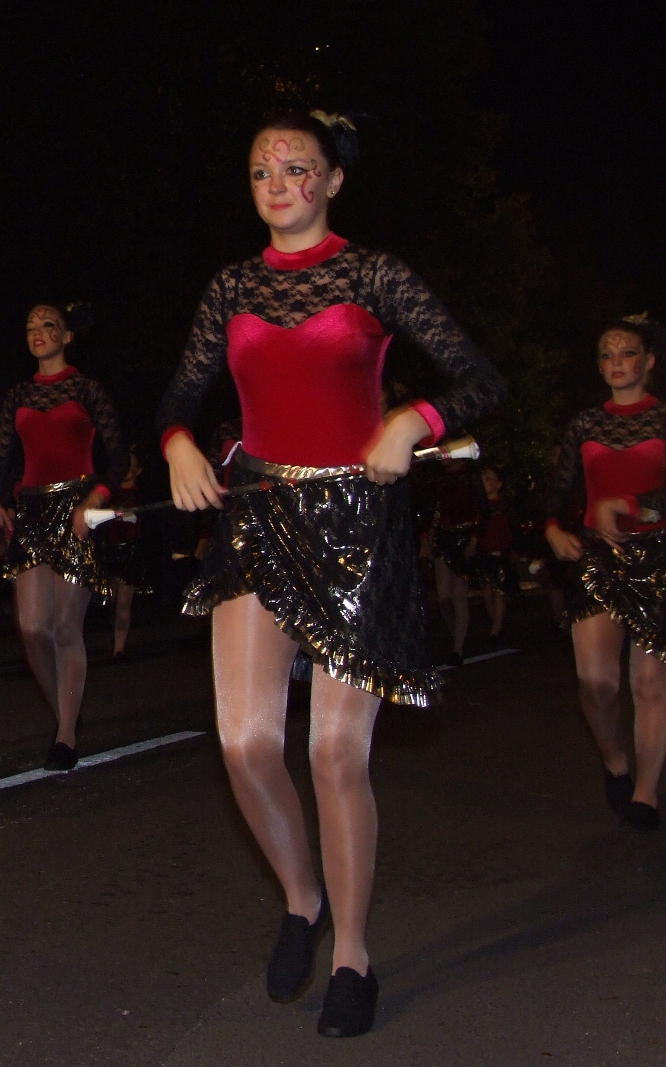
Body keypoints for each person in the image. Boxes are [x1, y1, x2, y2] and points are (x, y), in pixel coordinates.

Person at [157, 110, 506, 1037]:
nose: (278, 180)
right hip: (258, 520)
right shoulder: (231, 286)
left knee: (334, 753)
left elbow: (479, 379)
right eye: (262, 167)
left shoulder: (375, 274)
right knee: (242, 743)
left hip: (357, 525)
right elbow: (180, 393)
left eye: (298, 166)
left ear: (332, 181)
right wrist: (176, 442)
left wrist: (412, 420)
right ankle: (302, 897)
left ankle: (353, 950)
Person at [545, 316, 666, 832]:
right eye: (607, 355)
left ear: (649, 361)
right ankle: (616, 759)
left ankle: (646, 792)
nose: (616, 363)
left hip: (658, 560)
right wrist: (552, 528)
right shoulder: (586, 423)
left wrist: (633, 504)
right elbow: (557, 487)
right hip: (597, 560)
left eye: (627, 353)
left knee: (649, 682)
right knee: (596, 682)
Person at [0, 302, 127, 770]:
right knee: (31, 626)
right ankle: (64, 717)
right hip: (31, 510)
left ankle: (66, 736)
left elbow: (116, 457)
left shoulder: (87, 389)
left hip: (76, 507)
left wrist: (96, 499)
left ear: (67, 336)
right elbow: (3, 456)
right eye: (31, 326)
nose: (38, 332)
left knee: (63, 627)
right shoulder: (16, 396)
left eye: (48, 325)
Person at [103, 445, 152, 664]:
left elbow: (148, 526)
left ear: (138, 470)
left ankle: (118, 650)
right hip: (111, 550)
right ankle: (111, 638)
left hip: (132, 552)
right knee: (112, 601)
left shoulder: (143, 494)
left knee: (124, 604)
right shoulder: (107, 494)